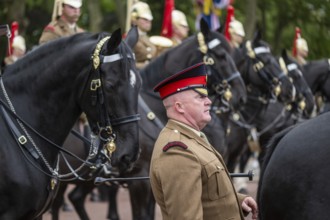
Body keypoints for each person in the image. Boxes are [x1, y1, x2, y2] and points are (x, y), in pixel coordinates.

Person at [150, 62, 258, 220]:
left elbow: (207, 190)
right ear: (179, 107)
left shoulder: (191, 137)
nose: (209, 101)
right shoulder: (177, 151)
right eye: (200, 97)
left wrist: (236, 201)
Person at [130, 1, 157, 69]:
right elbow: (126, 64)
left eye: (150, 19)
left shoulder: (148, 38)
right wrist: (143, 66)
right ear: (134, 20)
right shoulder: (130, 38)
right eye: (145, 19)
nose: (148, 21)